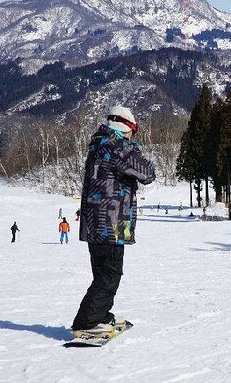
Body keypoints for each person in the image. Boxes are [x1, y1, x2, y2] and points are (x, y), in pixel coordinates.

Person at [71, 105, 156, 339]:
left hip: (94, 222)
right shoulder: (117, 146)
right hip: (111, 221)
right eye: (133, 131)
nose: (133, 136)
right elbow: (147, 173)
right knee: (110, 273)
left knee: (102, 272)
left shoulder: (98, 144)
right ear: (126, 128)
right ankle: (87, 322)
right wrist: (135, 151)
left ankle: (100, 314)